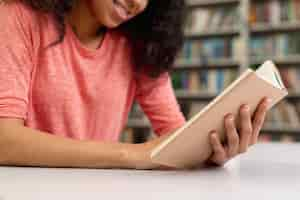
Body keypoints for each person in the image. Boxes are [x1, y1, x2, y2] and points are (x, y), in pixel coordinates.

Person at [0, 0, 271, 170]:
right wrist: (135, 154)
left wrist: (209, 151)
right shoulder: (18, 15)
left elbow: (175, 135)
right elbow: (4, 141)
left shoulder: (139, 44)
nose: (137, 3)